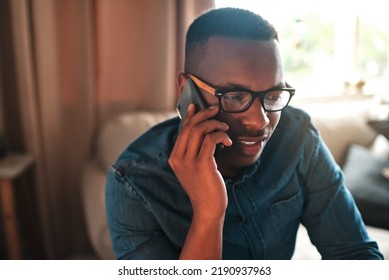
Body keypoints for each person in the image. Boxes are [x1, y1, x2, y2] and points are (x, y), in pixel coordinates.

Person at [105, 7, 383, 260]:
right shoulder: (134, 182)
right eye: (235, 96)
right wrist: (209, 214)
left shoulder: (298, 137)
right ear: (186, 90)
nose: (259, 121)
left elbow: (355, 253)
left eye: (273, 94)